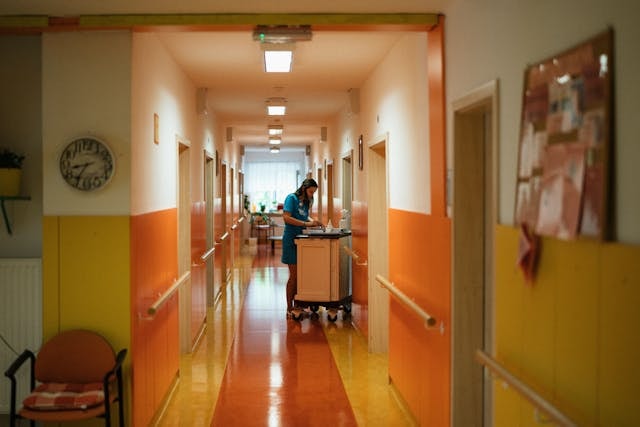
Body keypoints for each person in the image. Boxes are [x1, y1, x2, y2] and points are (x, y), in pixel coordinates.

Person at [281, 178, 323, 316]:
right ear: (304, 188)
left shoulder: (306, 201)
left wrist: (313, 221)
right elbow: (286, 218)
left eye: (314, 192)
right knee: (294, 276)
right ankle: (289, 307)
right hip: (291, 240)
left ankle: (298, 304)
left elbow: (305, 216)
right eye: (311, 191)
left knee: (301, 275)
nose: (312, 195)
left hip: (302, 241)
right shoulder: (291, 198)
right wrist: (306, 224)